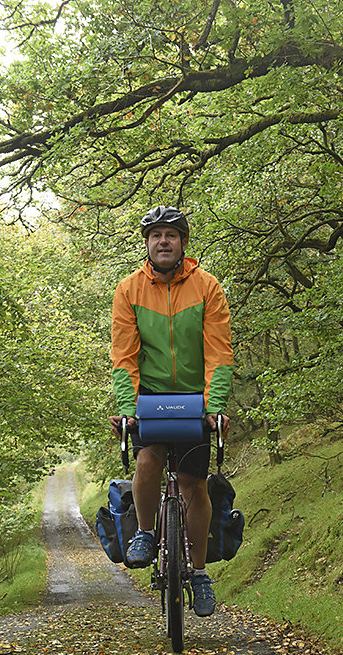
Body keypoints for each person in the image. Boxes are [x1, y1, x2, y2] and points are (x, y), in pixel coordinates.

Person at [109, 206, 234, 616]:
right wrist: (128, 411)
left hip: (196, 399)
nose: (164, 241)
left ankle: (198, 574)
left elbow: (219, 353)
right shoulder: (128, 290)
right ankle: (145, 533)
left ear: (183, 243)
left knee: (193, 484)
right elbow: (124, 358)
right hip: (151, 399)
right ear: (146, 244)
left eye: (172, 235)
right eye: (156, 235)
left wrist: (215, 408)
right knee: (147, 462)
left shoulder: (207, 287)